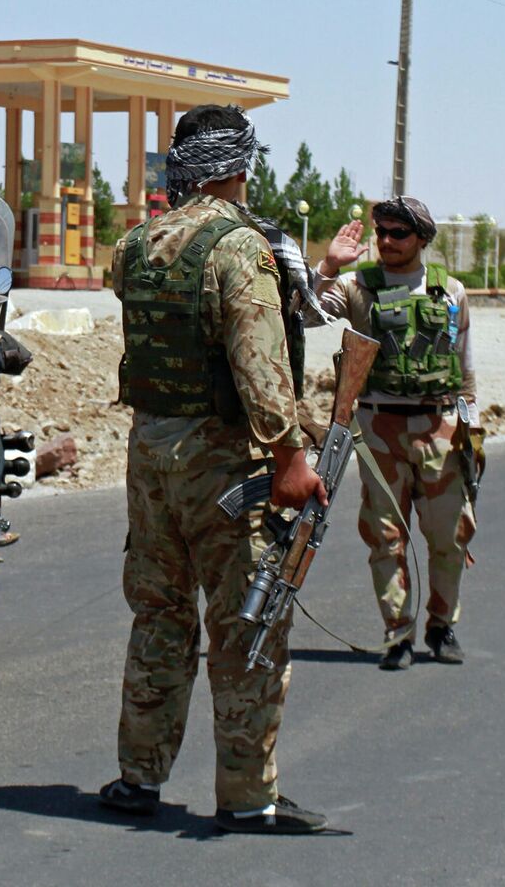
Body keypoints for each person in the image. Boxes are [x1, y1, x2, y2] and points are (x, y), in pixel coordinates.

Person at [97, 104, 330, 835]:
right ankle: (248, 795)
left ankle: (139, 777)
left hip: (151, 455)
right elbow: (260, 368)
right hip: (225, 461)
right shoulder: (240, 247)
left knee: (160, 617)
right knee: (246, 622)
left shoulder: (133, 245)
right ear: (238, 166)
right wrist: (292, 454)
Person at [312, 197, 481, 670]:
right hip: (377, 427)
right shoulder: (355, 287)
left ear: (422, 240)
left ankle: (442, 626)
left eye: (398, 234)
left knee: (450, 536)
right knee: (386, 538)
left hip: (440, 427)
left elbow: (465, 370)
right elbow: (302, 314)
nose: (386, 241)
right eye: (381, 232)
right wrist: (327, 264)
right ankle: (397, 633)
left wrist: (471, 432)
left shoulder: (451, 293)